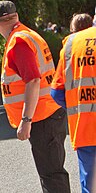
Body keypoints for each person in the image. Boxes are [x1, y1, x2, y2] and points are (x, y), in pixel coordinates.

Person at [0, 0, 70, 192]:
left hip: (42, 117)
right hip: (50, 112)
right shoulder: (29, 34)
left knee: (51, 175)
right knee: (53, 172)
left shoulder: (18, 42)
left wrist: (26, 120)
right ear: (16, 16)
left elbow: (33, 80)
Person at [51, 10, 96, 192]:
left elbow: (56, 92)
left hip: (85, 126)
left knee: (91, 183)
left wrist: (76, 104)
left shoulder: (71, 44)